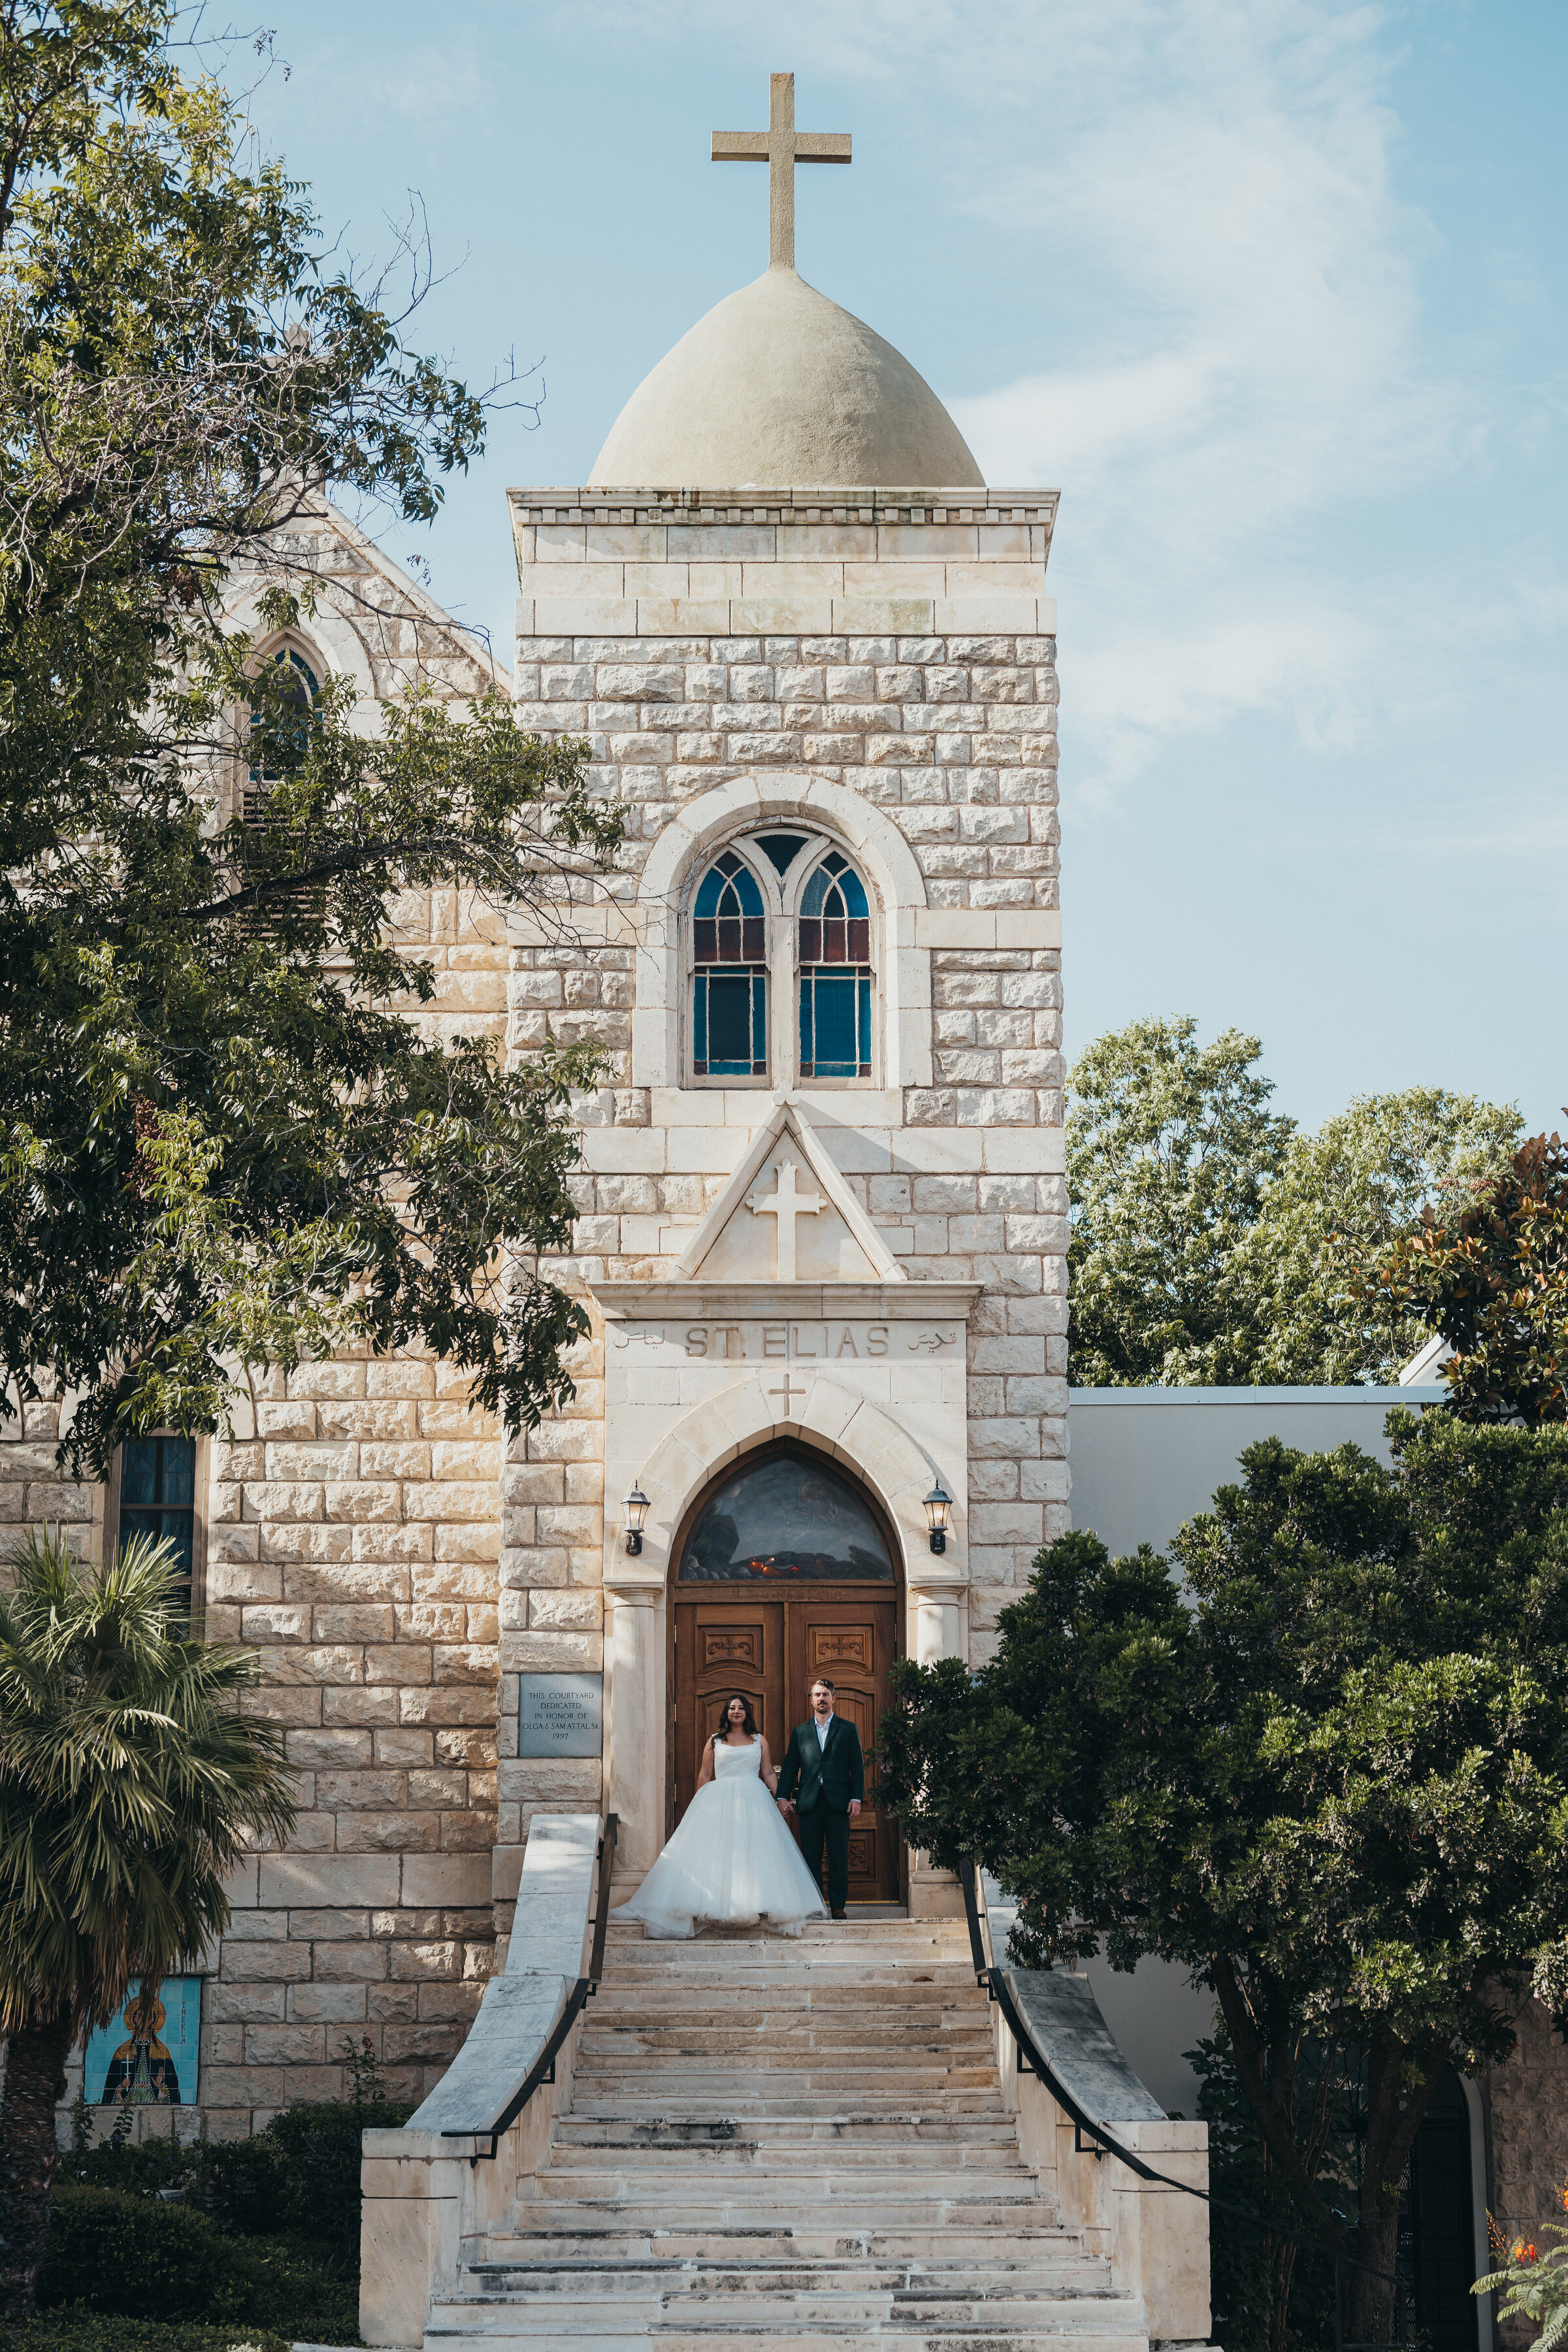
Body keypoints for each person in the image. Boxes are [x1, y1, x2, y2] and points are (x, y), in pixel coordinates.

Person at [614, 1692, 829, 1939]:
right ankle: (712, 1904)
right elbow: (705, 1774)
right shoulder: (715, 1741)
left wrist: (780, 1798)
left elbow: (768, 1772)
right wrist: (698, 1804)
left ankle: (757, 1904)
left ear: (747, 1712)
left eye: (740, 1708)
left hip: (754, 1800)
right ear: (726, 1712)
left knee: (756, 1851)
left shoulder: (759, 1740)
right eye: (731, 1708)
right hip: (719, 1800)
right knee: (719, 1853)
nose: (736, 1711)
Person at [774, 1676, 864, 1919]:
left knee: (838, 1855)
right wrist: (782, 1796)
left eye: (826, 1694)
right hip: (809, 1802)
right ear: (811, 1700)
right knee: (811, 1857)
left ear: (833, 1699)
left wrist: (856, 1798)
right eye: (817, 1694)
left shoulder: (847, 1729)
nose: (821, 1698)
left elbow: (857, 1767)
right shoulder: (801, 1732)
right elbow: (791, 1766)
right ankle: (814, 1905)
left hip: (838, 1802)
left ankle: (837, 1906)